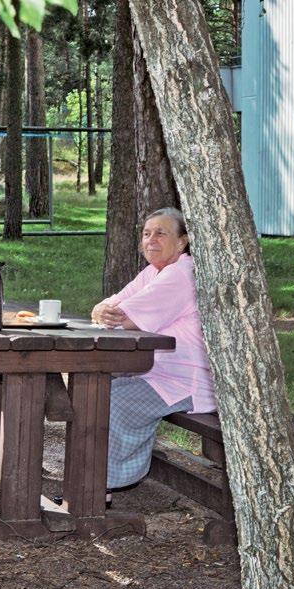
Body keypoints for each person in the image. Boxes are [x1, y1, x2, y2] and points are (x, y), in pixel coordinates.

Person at [91, 207, 215, 498]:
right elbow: (110, 306)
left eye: (161, 233)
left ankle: (100, 487)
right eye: (147, 234)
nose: (151, 240)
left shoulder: (182, 273)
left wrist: (108, 312)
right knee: (95, 387)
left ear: (183, 241)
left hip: (187, 381)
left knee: (110, 399)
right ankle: (91, 475)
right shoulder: (153, 273)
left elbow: (124, 318)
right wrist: (101, 309)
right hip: (156, 370)